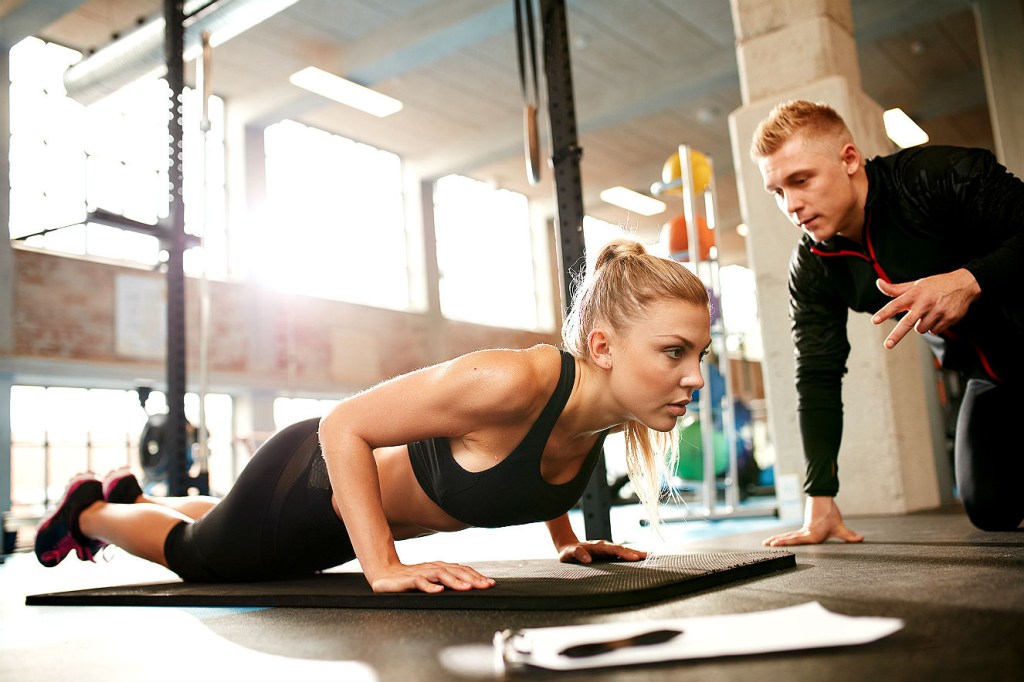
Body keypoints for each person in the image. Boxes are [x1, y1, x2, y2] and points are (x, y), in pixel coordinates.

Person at [34, 239, 712, 593]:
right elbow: (342, 426)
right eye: (675, 352)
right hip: (312, 486)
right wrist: (382, 565)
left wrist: (565, 541)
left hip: (343, 522)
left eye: (700, 353)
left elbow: (532, 462)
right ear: (603, 347)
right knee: (200, 558)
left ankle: (140, 497)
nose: (696, 376)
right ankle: (91, 510)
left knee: (222, 519)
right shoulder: (511, 379)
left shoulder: (600, 414)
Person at [750, 99, 1024, 546]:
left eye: (801, 180)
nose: (792, 205)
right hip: (989, 375)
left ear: (850, 159)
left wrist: (970, 279)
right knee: (990, 509)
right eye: (778, 191)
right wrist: (820, 494)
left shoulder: (932, 177)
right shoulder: (815, 264)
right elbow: (817, 372)